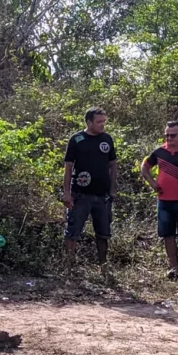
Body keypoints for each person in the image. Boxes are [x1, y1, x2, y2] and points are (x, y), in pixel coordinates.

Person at [141, 120, 178, 279]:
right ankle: (173, 268)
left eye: (173, 135)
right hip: (164, 201)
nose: (169, 138)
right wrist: (152, 183)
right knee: (168, 235)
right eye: (167, 135)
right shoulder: (159, 152)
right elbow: (144, 167)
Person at [62, 107, 118, 267]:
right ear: (89, 122)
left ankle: (103, 267)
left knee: (103, 234)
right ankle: (70, 266)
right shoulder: (77, 139)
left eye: (104, 121)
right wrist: (67, 193)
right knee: (73, 232)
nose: (102, 125)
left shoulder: (107, 139)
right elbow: (68, 167)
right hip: (80, 195)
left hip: (102, 196)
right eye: (99, 122)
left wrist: (113, 189)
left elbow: (113, 165)